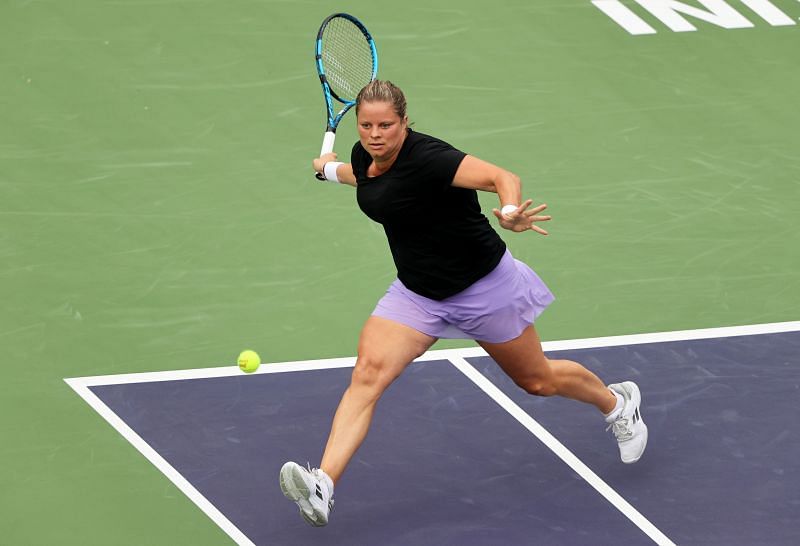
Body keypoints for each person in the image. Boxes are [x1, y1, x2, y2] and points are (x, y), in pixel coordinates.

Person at [279, 80, 647, 527]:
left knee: (538, 381)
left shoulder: (432, 158)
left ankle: (615, 403)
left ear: (405, 123)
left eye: (387, 126)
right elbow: (368, 179)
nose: (376, 134)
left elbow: (500, 177)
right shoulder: (363, 154)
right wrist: (329, 170)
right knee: (368, 375)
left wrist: (510, 210)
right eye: (367, 125)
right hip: (418, 294)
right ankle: (324, 484)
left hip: (483, 288)